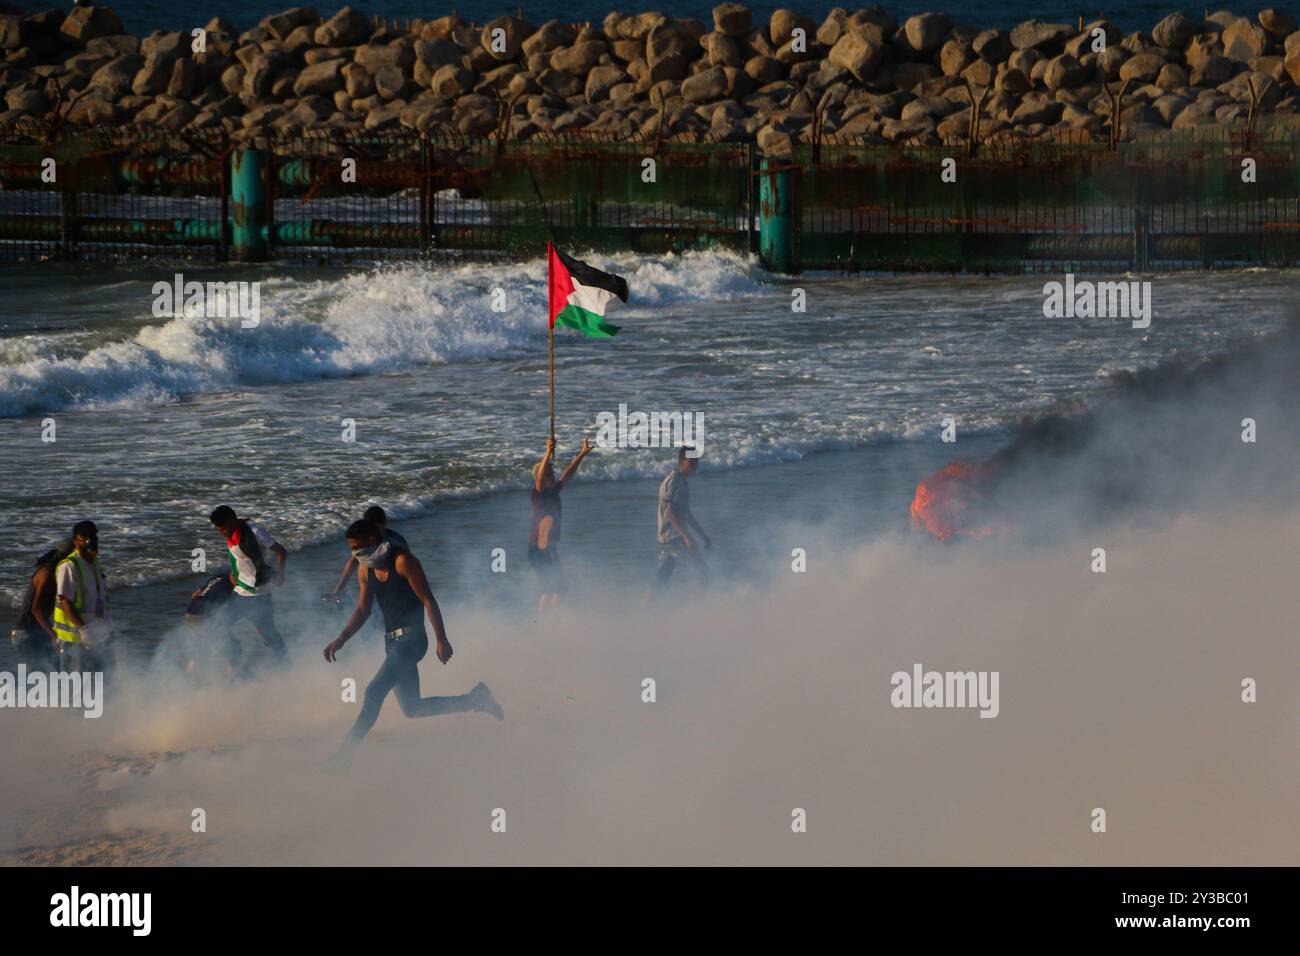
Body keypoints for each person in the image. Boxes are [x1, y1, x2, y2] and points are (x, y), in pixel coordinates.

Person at [323, 519, 501, 768]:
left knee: (373, 693)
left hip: (413, 639)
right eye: (351, 549)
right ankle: (475, 700)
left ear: (373, 541)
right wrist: (341, 639)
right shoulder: (366, 569)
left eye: (357, 547)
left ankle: (344, 755)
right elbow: (363, 609)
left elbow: (428, 600)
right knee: (412, 708)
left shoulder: (403, 561)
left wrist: (442, 639)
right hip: (391, 643)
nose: (354, 554)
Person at [186, 505, 288, 676]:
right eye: (218, 529)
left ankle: (286, 665)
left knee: (269, 634)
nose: (221, 532)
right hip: (239, 595)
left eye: (223, 528)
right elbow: (239, 563)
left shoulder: (255, 532)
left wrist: (280, 574)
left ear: (232, 521)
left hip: (259, 595)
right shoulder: (231, 536)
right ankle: (235, 666)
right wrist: (225, 577)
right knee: (218, 628)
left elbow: (281, 552)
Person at [529, 434, 592, 615]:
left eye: (551, 472)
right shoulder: (538, 493)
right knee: (561, 587)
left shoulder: (553, 490)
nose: (553, 474)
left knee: (551, 587)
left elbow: (567, 474)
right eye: (549, 472)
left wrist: (581, 454)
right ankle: (552, 621)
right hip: (540, 548)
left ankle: (544, 622)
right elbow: (540, 478)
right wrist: (548, 451)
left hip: (547, 547)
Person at [648, 447, 711, 598]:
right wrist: (687, 537)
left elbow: (686, 514)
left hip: (671, 538)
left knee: (661, 579)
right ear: (682, 461)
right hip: (674, 538)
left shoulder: (680, 481)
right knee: (703, 573)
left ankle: (646, 611)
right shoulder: (676, 481)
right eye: (692, 462)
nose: (695, 465)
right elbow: (670, 513)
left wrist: (703, 536)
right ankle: (705, 608)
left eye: (697, 462)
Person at [52, 521, 113, 671]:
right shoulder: (69, 566)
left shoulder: (93, 565)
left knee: (100, 684)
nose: (90, 540)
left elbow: (99, 600)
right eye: (84, 536)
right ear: (75, 541)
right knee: (76, 688)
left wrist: (107, 627)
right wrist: (84, 630)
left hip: (97, 636)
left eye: (93, 535)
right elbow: (65, 601)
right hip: (75, 640)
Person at [9, 538, 73, 670]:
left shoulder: (58, 573)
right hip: (26, 633)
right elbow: (36, 609)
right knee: (39, 675)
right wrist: (54, 635)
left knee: (57, 669)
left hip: (38, 630)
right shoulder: (47, 574)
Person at [330, 505, 408, 598]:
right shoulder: (366, 539)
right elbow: (353, 561)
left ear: (384, 523)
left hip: (396, 583)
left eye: (375, 527)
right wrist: (338, 590)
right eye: (369, 527)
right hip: (374, 579)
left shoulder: (395, 541)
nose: (373, 532)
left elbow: (408, 566)